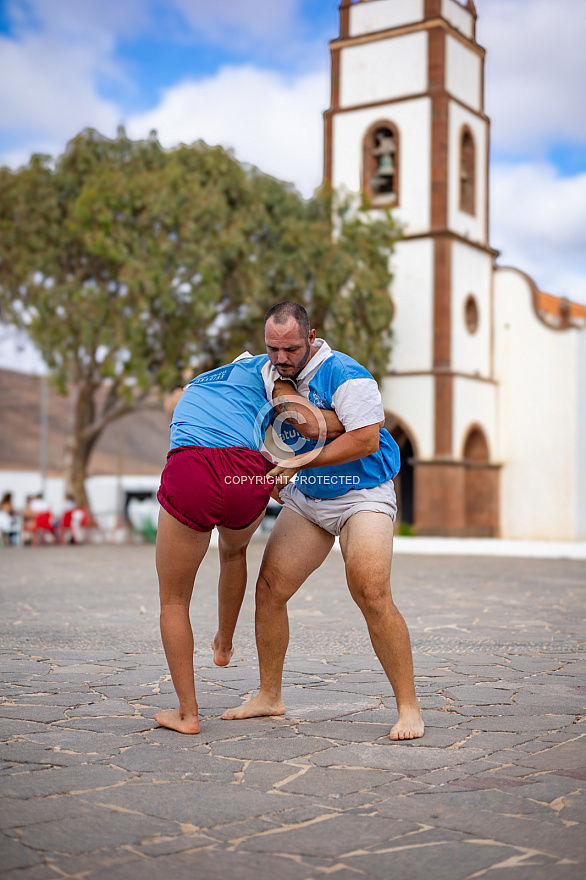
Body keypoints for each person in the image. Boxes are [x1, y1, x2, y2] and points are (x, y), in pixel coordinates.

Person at [223, 302, 424, 741]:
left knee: (370, 590)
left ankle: (409, 708)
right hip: (309, 495)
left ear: (311, 339)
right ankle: (269, 696)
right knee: (270, 589)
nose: (281, 358)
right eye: (272, 349)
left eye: (291, 349)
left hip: (362, 494)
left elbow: (367, 437)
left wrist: (310, 447)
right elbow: (237, 397)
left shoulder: (347, 375)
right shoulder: (267, 370)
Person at [154, 352, 344, 734]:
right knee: (234, 551)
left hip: (194, 466)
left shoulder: (195, 387)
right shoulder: (264, 370)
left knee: (174, 600)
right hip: (245, 472)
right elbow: (299, 419)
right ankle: (223, 644)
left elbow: (171, 406)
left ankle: (188, 715)